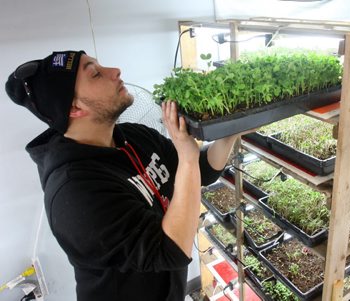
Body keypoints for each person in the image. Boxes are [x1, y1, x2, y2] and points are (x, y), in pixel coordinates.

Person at [5, 50, 242, 301]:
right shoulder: (74, 192)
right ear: (74, 107)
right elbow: (172, 250)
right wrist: (187, 159)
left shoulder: (134, 136)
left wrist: (232, 131)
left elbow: (202, 171)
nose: (115, 70)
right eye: (95, 74)